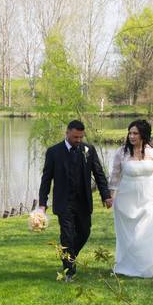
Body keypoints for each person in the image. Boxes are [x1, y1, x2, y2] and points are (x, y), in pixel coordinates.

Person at [38, 120, 112, 280]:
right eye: (75, 137)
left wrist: (106, 195)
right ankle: (69, 272)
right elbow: (46, 179)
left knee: (85, 232)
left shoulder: (88, 150)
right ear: (67, 133)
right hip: (63, 202)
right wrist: (42, 204)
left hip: (83, 201)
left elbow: (99, 174)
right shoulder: (53, 152)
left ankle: (69, 257)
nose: (78, 140)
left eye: (80, 137)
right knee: (67, 236)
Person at [108, 119, 153, 277]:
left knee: (146, 231)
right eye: (130, 133)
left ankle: (146, 264)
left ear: (143, 135)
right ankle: (127, 264)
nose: (131, 136)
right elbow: (114, 176)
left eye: (135, 133)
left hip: (148, 197)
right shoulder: (122, 153)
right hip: (126, 199)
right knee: (129, 234)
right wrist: (110, 196)